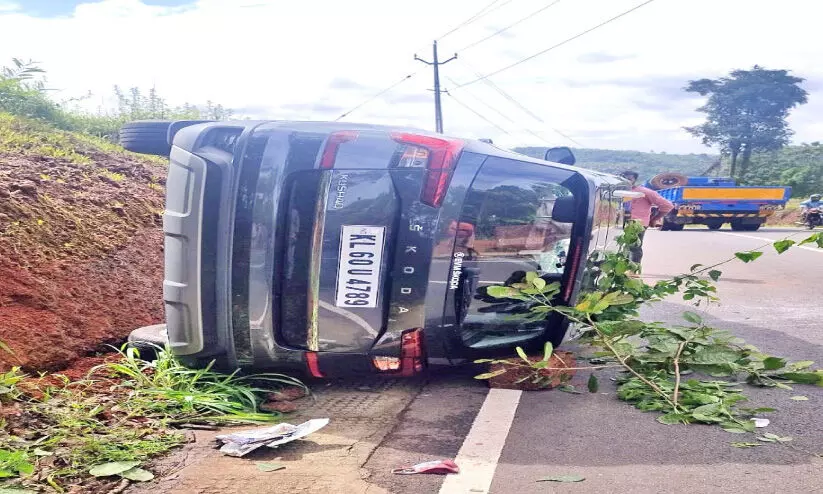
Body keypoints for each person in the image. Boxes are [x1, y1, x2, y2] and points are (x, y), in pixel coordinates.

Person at [620, 170, 675, 265]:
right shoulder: (617, 192)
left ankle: (633, 270)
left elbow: (667, 206)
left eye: (629, 179)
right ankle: (623, 269)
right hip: (618, 223)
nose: (627, 180)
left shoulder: (645, 192)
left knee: (634, 247)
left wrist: (654, 219)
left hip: (636, 224)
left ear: (635, 180)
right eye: (624, 178)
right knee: (621, 246)